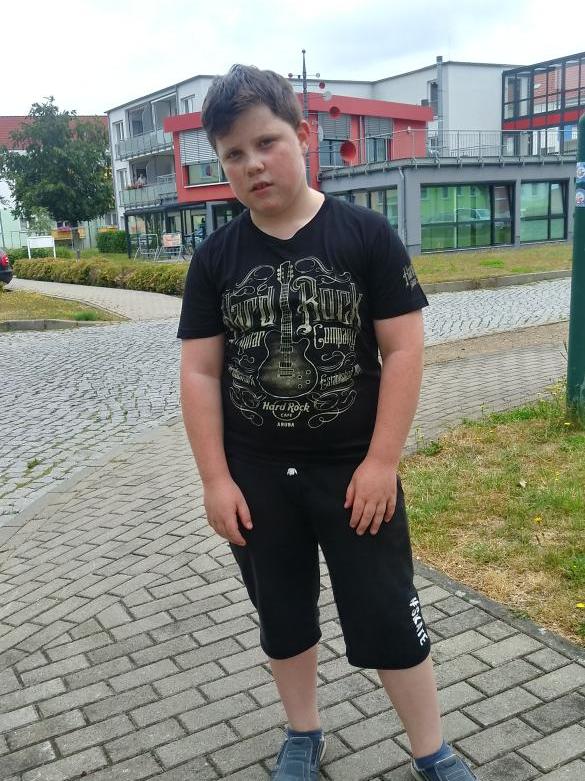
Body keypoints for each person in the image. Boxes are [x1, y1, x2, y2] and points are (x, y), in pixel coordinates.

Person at [177, 64, 478, 781]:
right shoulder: (214, 258)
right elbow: (200, 372)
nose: (253, 164)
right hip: (256, 478)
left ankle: (431, 749)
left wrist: (382, 463)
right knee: (282, 619)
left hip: (354, 474)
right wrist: (215, 479)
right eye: (233, 154)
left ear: (304, 135)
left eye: (267, 143)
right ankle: (302, 732)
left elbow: (403, 351)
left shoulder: (365, 236)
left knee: (388, 613)